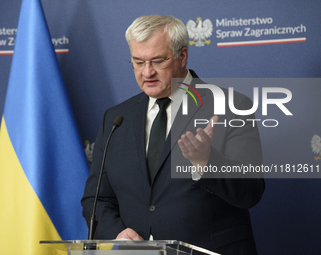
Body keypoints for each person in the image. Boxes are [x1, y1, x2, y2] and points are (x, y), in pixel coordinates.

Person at [81, 15, 264, 255]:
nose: (147, 72)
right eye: (138, 61)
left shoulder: (231, 106)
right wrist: (117, 232)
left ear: (182, 56)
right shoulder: (116, 119)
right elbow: (96, 199)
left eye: (158, 61)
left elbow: (251, 192)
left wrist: (205, 162)